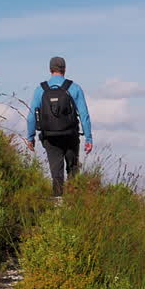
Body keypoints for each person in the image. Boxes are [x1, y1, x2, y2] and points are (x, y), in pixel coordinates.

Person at [26, 56, 93, 198]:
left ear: (50, 70)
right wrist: (88, 138)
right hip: (70, 135)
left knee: (56, 172)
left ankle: (58, 205)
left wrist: (30, 137)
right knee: (73, 170)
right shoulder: (74, 88)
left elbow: (31, 116)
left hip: (50, 137)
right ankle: (74, 203)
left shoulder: (41, 89)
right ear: (64, 69)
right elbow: (84, 115)